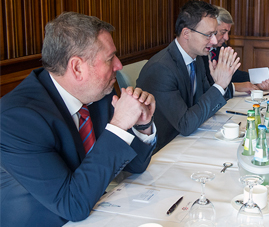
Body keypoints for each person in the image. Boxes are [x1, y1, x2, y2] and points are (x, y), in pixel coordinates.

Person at [0, 12, 157, 226]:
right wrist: (119, 125)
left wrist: (143, 125)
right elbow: (72, 204)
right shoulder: (17, 120)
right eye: (110, 58)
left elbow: (135, 166)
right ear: (77, 67)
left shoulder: (99, 91)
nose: (119, 65)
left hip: (96, 208)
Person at [137, 0, 240, 152]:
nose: (213, 41)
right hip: (162, 149)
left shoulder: (196, 58)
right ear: (186, 33)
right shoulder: (161, 69)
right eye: (208, 35)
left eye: (214, 34)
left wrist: (217, 83)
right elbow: (185, 124)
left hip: (188, 139)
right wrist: (219, 86)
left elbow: (203, 103)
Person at [202, 6, 269, 93]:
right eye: (223, 32)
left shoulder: (221, 47)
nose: (227, 37)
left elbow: (234, 74)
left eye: (228, 32)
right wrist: (235, 87)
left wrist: (258, 81)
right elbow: (206, 85)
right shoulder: (201, 50)